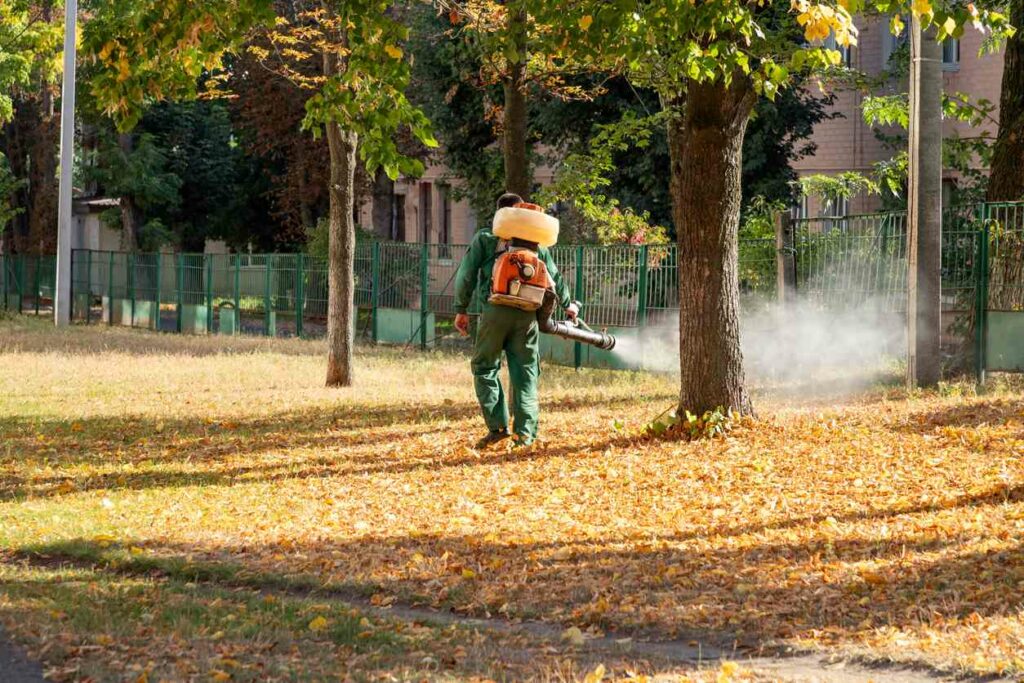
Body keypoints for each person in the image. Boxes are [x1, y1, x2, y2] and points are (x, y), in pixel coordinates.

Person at [453, 192, 578, 448]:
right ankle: (525, 436)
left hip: (494, 311)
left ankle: (497, 427)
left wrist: (460, 308)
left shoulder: (487, 239)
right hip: (528, 316)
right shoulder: (537, 245)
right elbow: (555, 278)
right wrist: (569, 306)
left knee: (485, 367)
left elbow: (466, 274)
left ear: (500, 214)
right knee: (526, 373)